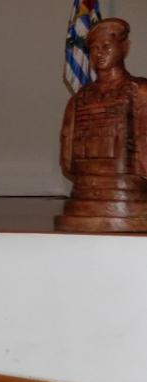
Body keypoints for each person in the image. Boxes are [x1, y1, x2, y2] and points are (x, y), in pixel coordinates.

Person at [58, 17, 147, 231]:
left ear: (124, 47)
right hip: (83, 192)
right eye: (94, 48)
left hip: (129, 196)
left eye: (106, 45)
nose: (99, 52)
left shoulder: (140, 91)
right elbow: (68, 156)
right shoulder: (79, 99)